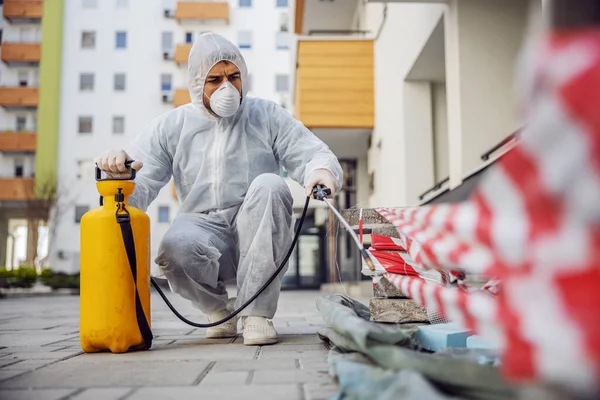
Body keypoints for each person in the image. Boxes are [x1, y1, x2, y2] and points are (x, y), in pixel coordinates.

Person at [95, 33, 342, 346]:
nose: (227, 86)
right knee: (173, 247)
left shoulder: (265, 115)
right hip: (202, 230)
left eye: (233, 76)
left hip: (257, 228)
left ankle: (256, 315)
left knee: (271, 184)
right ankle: (218, 311)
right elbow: (139, 184)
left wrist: (321, 170)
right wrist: (119, 174)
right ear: (198, 83)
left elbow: (308, 151)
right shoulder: (171, 126)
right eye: (215, 79)